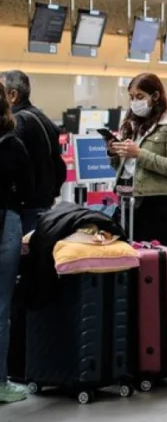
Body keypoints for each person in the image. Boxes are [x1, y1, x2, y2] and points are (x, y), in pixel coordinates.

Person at [108, 73, 167, 247]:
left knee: (155, 266)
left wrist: (139, 154)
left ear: (155, 96)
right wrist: (115, 153)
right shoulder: (131, 125)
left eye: (140, 97)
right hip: (127, 202)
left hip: (158, 205)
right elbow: (124, 167)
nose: (135, 102)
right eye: (131, 97)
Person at [0, 80, 33, 403]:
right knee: (1, 307)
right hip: (5, 222)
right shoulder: (11, 144)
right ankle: (0, 382)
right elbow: (27, 189)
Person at [1, 70, 64, 234]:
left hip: (27, 209)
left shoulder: (18, 121)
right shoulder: (42, 118)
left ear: (12, 95)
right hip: (44, 203)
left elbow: (16, 170)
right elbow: (59, 166)